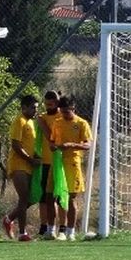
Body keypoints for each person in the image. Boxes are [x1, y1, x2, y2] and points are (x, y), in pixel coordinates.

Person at [50, 95, 92, 242]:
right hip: (59, 163)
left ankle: (71, 231)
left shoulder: (82, 124)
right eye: (62, 111)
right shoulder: (57, 122)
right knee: (61, 196)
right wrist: (54, 146)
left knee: (72, 197)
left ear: (73, 109)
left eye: (67, 112)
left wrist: (72, 145)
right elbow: (52, 141)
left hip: (73, 163)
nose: (65, 115)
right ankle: (61, 230)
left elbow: (88, 145)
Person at [1, 94, 42, 241]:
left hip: (30, 165)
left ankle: (9, 219)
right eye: (32, 108)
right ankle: (22, 233)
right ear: (23, 107)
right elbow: (16, 145)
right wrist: (30, 159)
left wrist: (35, 157)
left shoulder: (31, 122)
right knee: (24, 197)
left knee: (32, 198)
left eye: (36, 108)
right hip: (19, 165)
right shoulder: (19, 121)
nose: (35, 111)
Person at [36, 90, 62, 240]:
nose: (47, 107)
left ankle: (62, 229)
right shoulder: (42, 117)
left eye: (51, 104)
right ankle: (44, 227)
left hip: (58, 163)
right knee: (44, 198)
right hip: (44, 162)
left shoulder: (60, 117)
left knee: (58, 198)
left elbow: (52, 138)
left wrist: (42, 125)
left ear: (57, 103)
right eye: (46, 104)